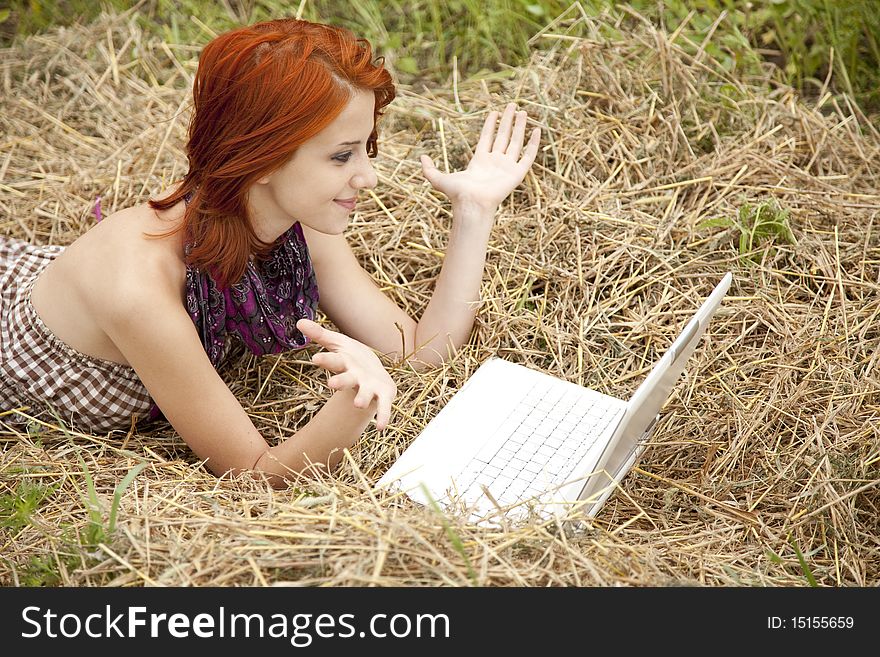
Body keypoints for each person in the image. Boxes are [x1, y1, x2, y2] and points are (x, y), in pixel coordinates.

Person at [0, 18, 540, 486]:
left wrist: (474, 212)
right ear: (259, 160)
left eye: (366, 148)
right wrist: (356, 403)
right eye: (342, 155)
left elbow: (421, 352)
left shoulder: (298, 223)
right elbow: (254, 474)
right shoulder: (138, 287)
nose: (368, 177)